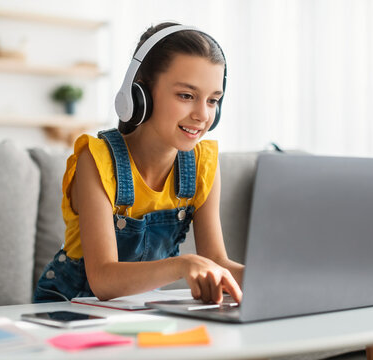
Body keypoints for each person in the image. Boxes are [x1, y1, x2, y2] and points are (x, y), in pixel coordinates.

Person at [33, 22, 244, 305]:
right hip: (70, 307)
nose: (202, 115)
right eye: (186, 96)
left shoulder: (203, 163)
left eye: (213, 100)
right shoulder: (97, 159)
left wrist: (279, 280)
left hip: (135, 309)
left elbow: (216, 261)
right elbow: (103, 280)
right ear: (140, 95)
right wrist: (182, 265)